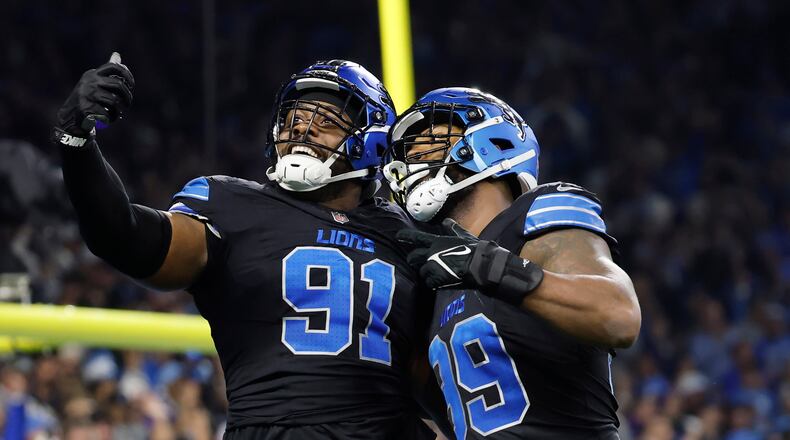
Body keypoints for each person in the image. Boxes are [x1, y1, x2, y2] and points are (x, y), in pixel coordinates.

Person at [52, 53, 435, 439]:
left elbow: (441, 370)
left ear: (371, 138)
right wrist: (78, 144)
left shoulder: (406, 233)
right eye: (294, 119)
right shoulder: (233, 206)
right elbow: (124, 236)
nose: (303, 130)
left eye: (326, 121)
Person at [383, 87, 642, 439]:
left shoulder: (535, 217)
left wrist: (488, 265)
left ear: (493, 142)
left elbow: (618, 316)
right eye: (408, 149)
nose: (412, 155)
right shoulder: (437, 277)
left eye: (431, 138)